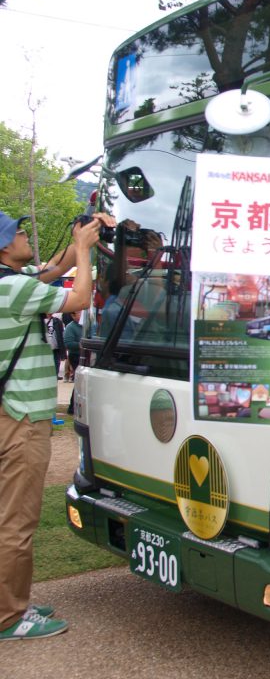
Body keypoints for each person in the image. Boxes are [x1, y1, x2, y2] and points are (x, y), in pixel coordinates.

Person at [0, 209, 112, 641]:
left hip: (8, 411)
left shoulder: (13, 280)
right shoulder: (12, 289)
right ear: (5, 247)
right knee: (17, 519)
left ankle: (10, 601)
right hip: (21, 417)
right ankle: (10, 616)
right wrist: (85, 252)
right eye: (19, 233)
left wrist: (81, 234)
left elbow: (56, 266)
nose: (26, 235)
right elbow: (79, 297)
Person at [62, 312, 82, 383]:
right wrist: (80, 345)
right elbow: (68, 343)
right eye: (80, 313)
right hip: (75, 355)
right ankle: (68, 376)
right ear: (73, 316)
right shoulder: (70, 327)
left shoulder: (89, 325)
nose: (82, 314)